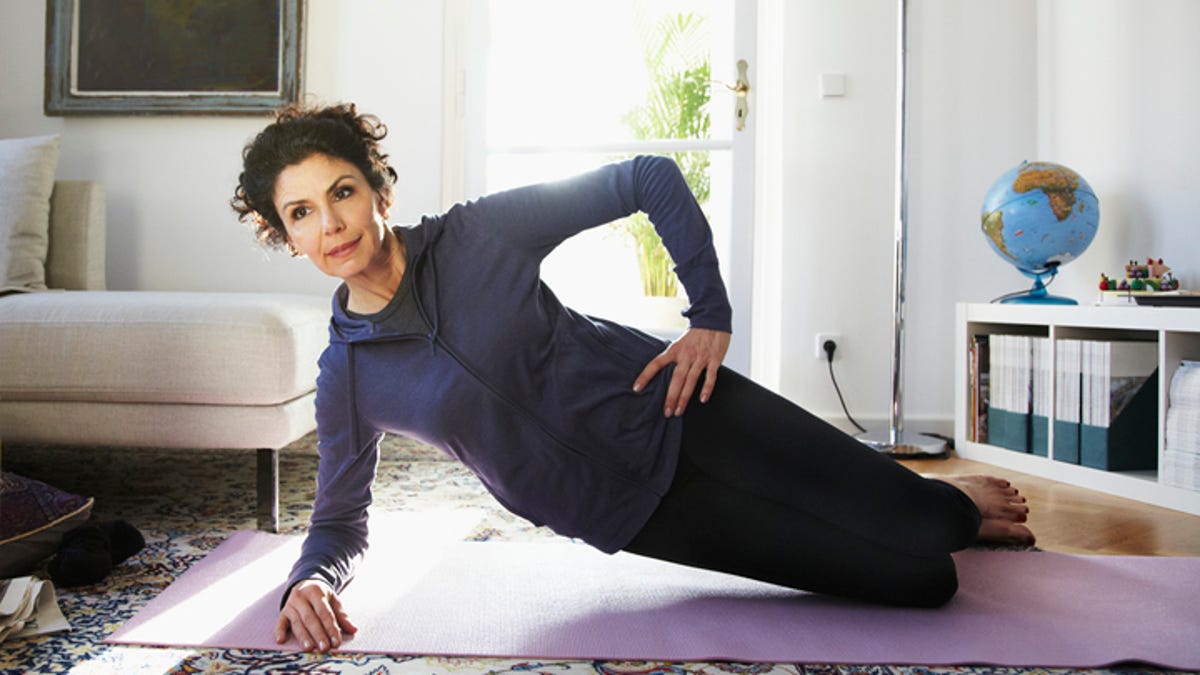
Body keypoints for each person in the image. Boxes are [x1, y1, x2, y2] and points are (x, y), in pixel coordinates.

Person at [231, 102, 1034, 654]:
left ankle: (950, 503)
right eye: (300, 212)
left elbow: (649, 176)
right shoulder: (348, 373)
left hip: (681, 406)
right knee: (924, 583)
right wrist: (310, 579)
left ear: (378, 189)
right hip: (632, 511)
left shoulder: (479, 234)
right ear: (282, 233)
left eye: (342, 191)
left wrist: (709, 316)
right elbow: (340, 518)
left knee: (935, 527)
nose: (330, 223)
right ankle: (936, 518)